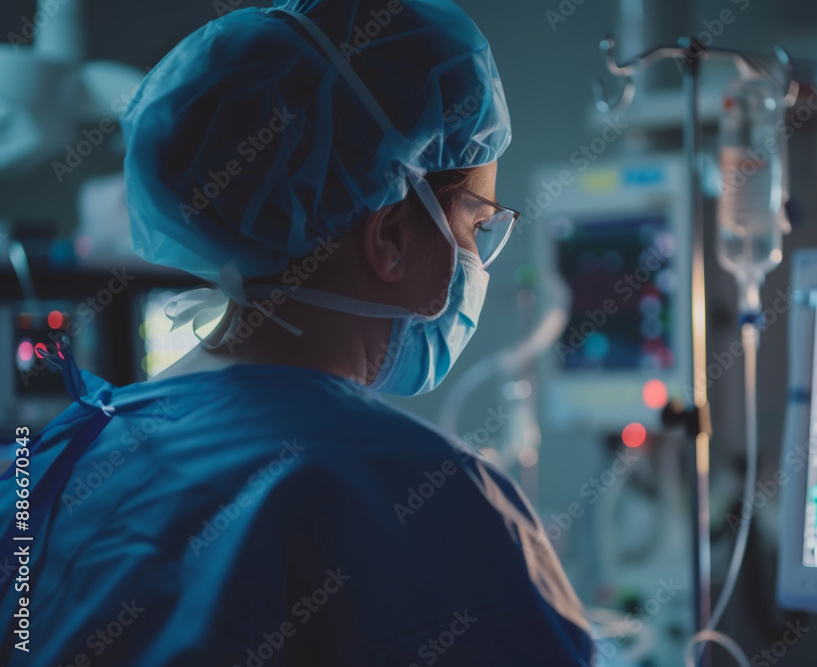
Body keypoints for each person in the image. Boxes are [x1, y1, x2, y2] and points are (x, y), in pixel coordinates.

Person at [0, 1, 596, 665]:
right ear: (391, 236)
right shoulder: (427, 497)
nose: (477, 255)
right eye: (476, 222)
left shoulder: (54, 460)